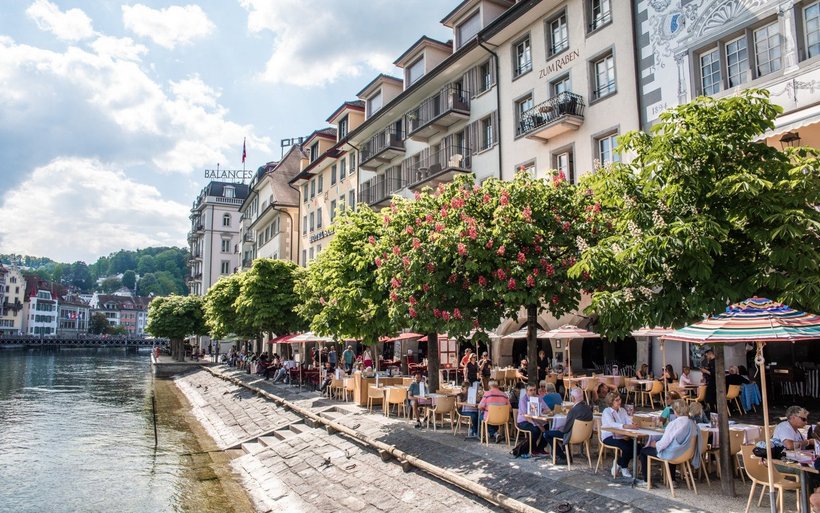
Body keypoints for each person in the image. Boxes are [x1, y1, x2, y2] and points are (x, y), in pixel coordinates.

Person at [639, 400, 700, 484]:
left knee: (644, 451)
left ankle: (646, 481)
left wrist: (655, 445)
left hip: (674, 455)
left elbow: (664, 443)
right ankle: (672, 479)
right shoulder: (692, 423)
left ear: (675, 411)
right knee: (673, 447)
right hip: (687, 453)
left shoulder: (674, 424)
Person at [543, 387, 592, 464]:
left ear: (572, 398)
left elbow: (566, 429)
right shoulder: (588, 408)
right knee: (564, 431)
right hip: (585, 436)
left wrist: (559, 428)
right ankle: (567, 456)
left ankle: (562, 456)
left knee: (547, 433)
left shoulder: (573, 411)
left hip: (573, 436)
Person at [601, 392, 639, 478]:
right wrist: (625, 426)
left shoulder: (622, 410)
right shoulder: (607, 411)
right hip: (609, 436)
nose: (619, 401)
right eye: (616, 400)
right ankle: (624, 467)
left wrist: (632, 424)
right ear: (611, 402)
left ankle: (619, 462)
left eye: (620, 399)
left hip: (621, 435)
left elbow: (627, 420)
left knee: (638, 447)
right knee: (626, 448)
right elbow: (611, 424)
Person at [517, 384, 547, 457]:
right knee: (535, 430)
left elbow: (547, 409)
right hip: (523, 421)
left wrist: (542, 411)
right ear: (527, 391)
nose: (533, 392)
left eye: (534, 390)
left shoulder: (538, 398)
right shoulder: (523, 400)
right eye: (531, 390)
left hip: (537, 419)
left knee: (549, 427)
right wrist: (539, 425)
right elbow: (526, 416)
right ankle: (532, 449)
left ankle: (540, 448)